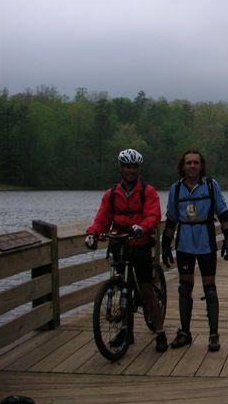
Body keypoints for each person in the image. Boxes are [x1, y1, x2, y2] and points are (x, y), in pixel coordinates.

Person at [85, 149, 168, 352]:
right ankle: (125, 328)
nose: (131, 170)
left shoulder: (147, 191)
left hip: (139, 244)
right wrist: (93, 233)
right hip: (120, 244)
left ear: (138, 169)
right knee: (120, 287)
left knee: (146, 290)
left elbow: (154, 215)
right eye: (127, 166)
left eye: (134, 167)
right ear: (120, 168)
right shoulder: (112, 194)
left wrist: (142, 227)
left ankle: (160, 331)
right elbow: (102, 219)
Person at [161, 149, 228, 351]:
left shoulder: (211, 185)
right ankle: (184, 332)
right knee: (185, 288)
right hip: (184, 243)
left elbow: (223, 213)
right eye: (188, 163)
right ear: (182, 166)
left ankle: (213, 334)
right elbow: (171, 219)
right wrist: (165, 246)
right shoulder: (176, 189)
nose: (192, 166)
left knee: (209, 289)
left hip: (206, 242)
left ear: (201, 165)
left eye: (196, 162)